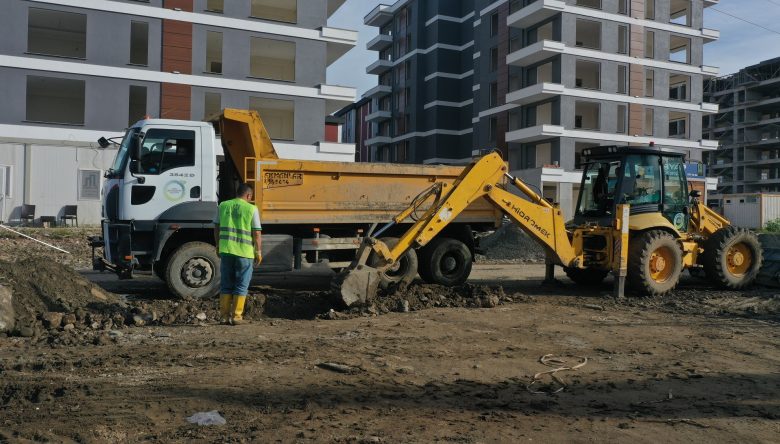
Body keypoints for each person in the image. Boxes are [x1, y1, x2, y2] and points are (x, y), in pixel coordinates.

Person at [213, 184, 262, 325]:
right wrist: (258, 251)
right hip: (244, 253)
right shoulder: (251, 208)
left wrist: (217, 245)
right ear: (248, 196)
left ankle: (223, 317)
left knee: (226, 284)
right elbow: (257, 232)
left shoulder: (222, 205)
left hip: (226, 250)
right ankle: (237, 316)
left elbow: (216, 227)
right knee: (241, 284)